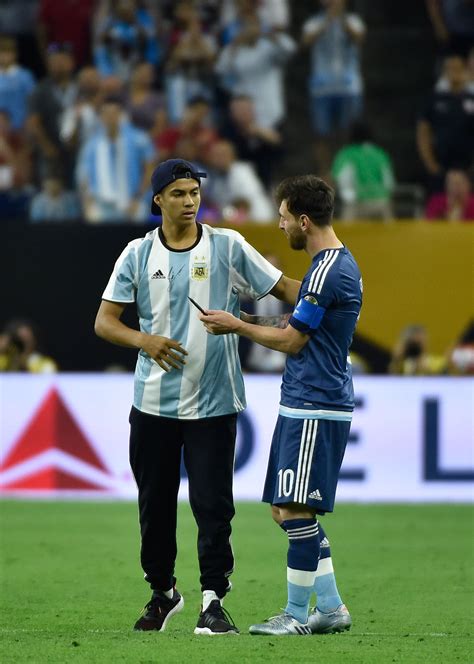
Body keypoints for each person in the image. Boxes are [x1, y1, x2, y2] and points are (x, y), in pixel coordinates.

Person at [94, 158, 300, 634]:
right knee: (155, 506)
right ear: (158, 201)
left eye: (194, 192)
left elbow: (282, 287)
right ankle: (163, 593)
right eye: (180, 193)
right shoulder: (137, 254)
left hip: (214, 403)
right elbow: (104, 322)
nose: (190, 201)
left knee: (213, 506)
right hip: (153, 405)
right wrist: (144, 340)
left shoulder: (227, 245)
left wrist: (329, 290)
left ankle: (213, 600)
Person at [200, 174, 362, 635]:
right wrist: (251, 313)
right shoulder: (326, 266)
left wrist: (238, 327)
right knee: (285, 509)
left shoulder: (329, 269)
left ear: (303, 220)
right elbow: (298, 311)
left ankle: (294, 615)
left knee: (295, 510)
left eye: (284, 217)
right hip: (304, 400)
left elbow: (293, 340)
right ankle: (330, 608)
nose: (280, 225)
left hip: (317, 401)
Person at [302, 0, 366, 175]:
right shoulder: (314, 21)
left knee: (348, 132)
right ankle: (325, 173)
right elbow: (307, 41)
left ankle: (346, 168)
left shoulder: (353, 20)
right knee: (321, 133)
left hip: (349, 86)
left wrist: (341, 20)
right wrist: (328, 20)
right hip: (321, 87)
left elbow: (359, 38)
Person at [76, 96, 156, 223]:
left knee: (140, 213)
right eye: (106, 114)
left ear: (121, 115)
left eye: (114, 113)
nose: (110, 118)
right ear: (101, 117)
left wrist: (139, 199)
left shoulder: (138, 139)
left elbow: (150, 169)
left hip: (131, 199)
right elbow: (83, 176)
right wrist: (87, 203)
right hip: (101, 203)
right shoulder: (91, 145)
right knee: (93, 215)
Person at [417, 54, 474, 192]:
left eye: (458, 68)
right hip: (441, 164)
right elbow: (423, 131)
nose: (454, 72)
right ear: (444, 72)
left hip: (468, 165)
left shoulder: (471, 99)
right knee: (439, 204)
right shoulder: (434, 99)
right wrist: (429, 162)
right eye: (450, 68)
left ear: (465, 70)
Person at [331, 121, 395, 221]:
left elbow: (341, 178)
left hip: (356, 205)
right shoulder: (380, 153)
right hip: (381, 203)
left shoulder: (346, 154)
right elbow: (389, 183)